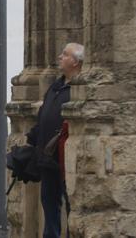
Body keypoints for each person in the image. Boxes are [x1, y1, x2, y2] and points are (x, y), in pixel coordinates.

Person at [27, 42, 83, 238]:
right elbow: (44, 115)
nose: (60, 57)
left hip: (65, 159)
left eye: (65, 55)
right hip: (48, 158)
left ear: (76, 62)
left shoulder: (79, 89)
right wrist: (32, 139)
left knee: (70, 204)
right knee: (49, 204)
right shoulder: (56, 86)